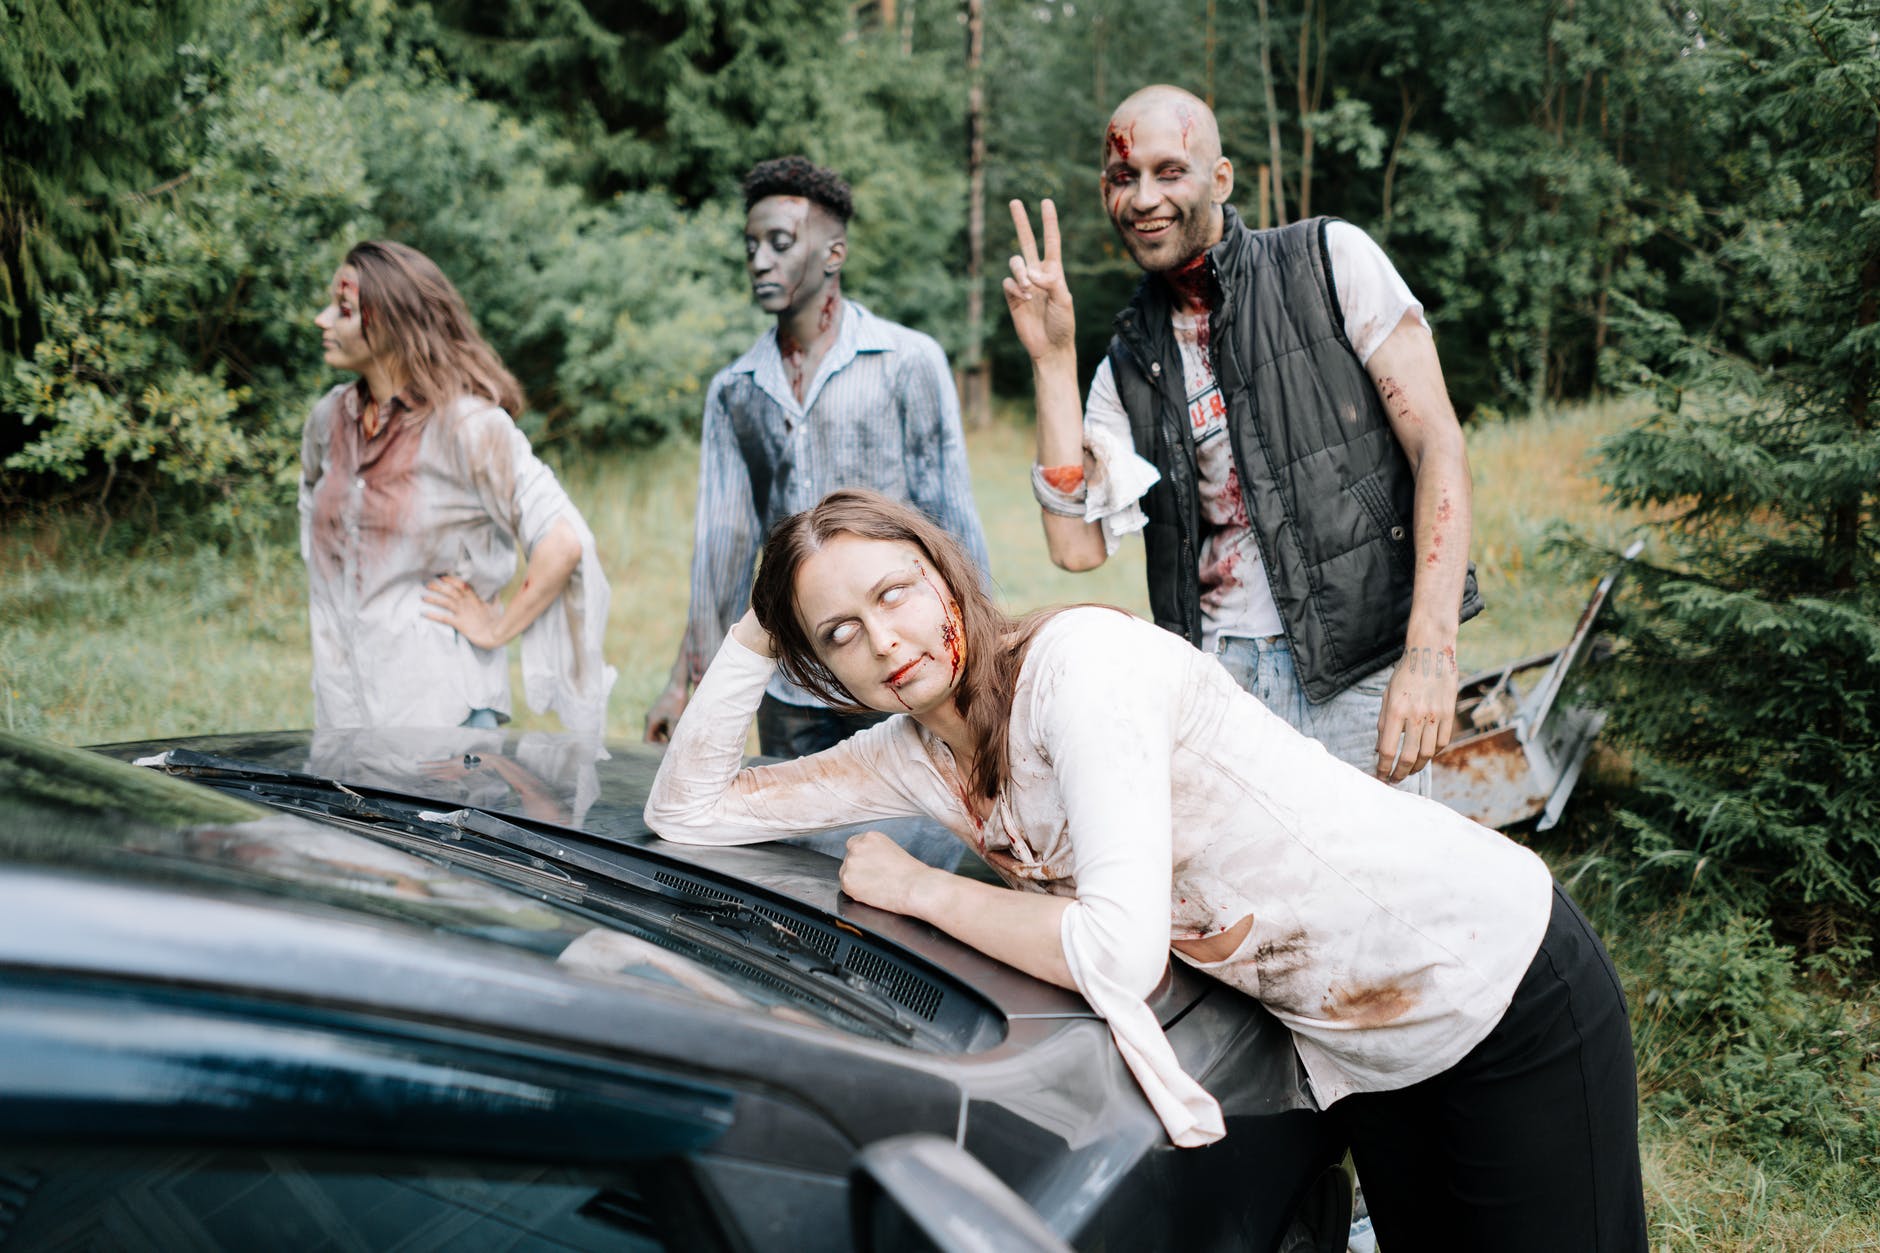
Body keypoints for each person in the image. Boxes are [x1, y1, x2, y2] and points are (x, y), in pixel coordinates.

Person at [645, 489, 1647, 1253]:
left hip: (1488, 977)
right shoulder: (908, 753)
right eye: (836, 634)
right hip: (1358, 1048)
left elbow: (1114, 952)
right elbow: (685, 809)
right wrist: (753, 626)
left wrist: (917, 888)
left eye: (891, 592)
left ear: (944, 572)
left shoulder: (1081, 671)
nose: (884, 640)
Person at [1004, 85, 1480, 792]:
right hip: (1217, 686)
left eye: (1169, 172)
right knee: (1245, 898)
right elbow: (1075, 548)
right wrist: (1050, 361)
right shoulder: (1129, 364)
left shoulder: (1326, 262)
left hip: (1360, 672)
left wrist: (1431, 652)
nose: (1142, 199)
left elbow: (1438, 445)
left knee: (1369, 894)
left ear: (1220, 180)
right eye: (1122, 178)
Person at [644, 155, 991, 766]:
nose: (759, 260)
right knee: (796, 855)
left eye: (780, 243)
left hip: (901, 665)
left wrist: (986, 658)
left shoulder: (907, 361)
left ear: (834, 253)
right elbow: (722, 549)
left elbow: (950, 519)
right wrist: (687, 680)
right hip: (795, 680)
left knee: (915, 837)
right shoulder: (735, 390)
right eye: (750, 244)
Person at [301, 240, 614, 734]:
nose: (322, 320)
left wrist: (496, 627)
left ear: (390, 322)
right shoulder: (328, 422)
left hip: (444, 724)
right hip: (344, 714)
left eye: (342, 310)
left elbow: (562, 541)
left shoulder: (468, 428)